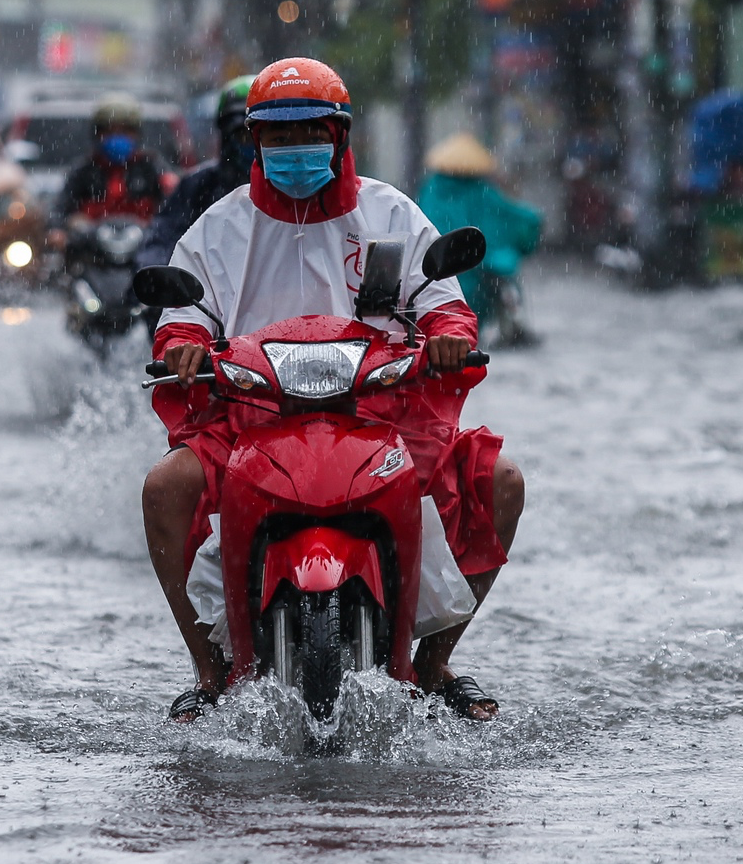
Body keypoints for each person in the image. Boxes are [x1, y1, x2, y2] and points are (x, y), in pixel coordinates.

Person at [141, 57, 525, 723]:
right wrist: (181, 347)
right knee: (162, 489)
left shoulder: (390, 213)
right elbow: (183, 317)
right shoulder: (218, 228)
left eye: (311, 133)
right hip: (249, 418)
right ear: (254, 143)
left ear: (341, 136)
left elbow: (442, 299)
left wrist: (447, 332)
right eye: (279, 138)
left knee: (503, 482)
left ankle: (434, 666)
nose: (296, 150)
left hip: (380, 414)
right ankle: (208, 672)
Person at [416, 132, 544, 348]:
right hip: (475, 268)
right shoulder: (482, 190)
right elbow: (515, 217)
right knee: (471, 329)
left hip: (437, 269)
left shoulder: (431, 189)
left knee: (442, 325)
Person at [136, 75, 254, 270]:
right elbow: (163, 239)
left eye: (267, 136)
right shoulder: (198, 185)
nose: (253, 145)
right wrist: (155, 278)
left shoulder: (299, 188)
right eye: (244, 135)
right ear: (227, 136)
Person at [51, 95, 167, 241]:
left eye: (124, 132)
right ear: (98, 135)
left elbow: (172, 204)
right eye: (110, 131)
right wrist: (59, 229)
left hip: (143, 252)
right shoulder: (84, 171)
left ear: (136, 135)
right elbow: (60, 207)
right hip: (92, 252)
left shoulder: (151, 168)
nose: (116, 137)